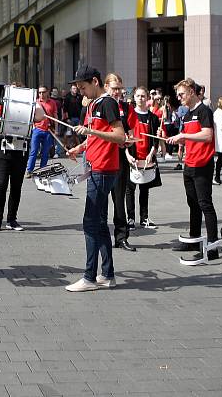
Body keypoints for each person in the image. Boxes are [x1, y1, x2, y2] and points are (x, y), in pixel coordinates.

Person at [64, 66, 125, 292]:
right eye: (78, 88)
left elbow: (119, 136)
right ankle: (107, 275)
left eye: (83, 87)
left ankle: (89, 278)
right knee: (98, 223)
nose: (81, 92)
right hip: (96, 166)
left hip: (104, 168)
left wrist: (91, 133)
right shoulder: (93, 105)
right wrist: (80, 148)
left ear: (95, 82)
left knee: (90, 223)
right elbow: (95, 138)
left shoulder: (108, 103)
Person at [166, 78, 219, 263]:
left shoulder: (204, 110)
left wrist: (184, 135)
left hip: (202, 164)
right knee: (193, 204)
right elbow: (191, 137)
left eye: (181, 94)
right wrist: (178, 140)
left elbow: (207, 135)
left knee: (205, 204)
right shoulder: (187, 114)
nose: (179, 97)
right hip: (189, 164)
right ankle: (194, 239)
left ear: (191, 91)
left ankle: (213, 247)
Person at [103, 73, 137, 251]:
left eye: (119, 89)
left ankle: (121, 236)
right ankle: (100, 236)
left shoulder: (126, 107)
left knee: (119, 199)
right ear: (106, 87)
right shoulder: (98, 105)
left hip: (119, 159)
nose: (117, 92)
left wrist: (129, 141)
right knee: (100, 199)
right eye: (114, 88)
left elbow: (130, 133)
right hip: (101, 158)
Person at [0, 97, 28, 232]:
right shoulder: (0, 109)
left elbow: (40, 116)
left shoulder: (28, 110)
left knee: (16, 187)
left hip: (20, 152)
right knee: (1, 185)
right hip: (2, 152)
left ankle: (11, 220)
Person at [125, 86, 160, 229]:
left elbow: (155, 140)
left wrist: (151, 154)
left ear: (148, 98)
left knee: (145, 190)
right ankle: (131, 219)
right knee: (130, 189)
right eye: (138, 96)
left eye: (143, 96)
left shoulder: (153, 117)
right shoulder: (129, 116)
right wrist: (127, 155)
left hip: (147, 159)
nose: (140, 98)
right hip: (132, 158)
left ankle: (144, 218)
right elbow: (125, 138)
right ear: (134, 98)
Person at [25, 86, 56, 178]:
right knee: (33, 151)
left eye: (43, 92)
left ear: (47, 92)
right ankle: (29, 170)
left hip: (48, 130)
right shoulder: (35, 103)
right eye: (39, 92)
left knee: (45, 152)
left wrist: (56, 129)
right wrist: (33, 125)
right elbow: (30, 116)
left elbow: (55, 116)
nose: (41, 94)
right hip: (37, 130)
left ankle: (42, 170)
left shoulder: (52, 103)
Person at [63, 85, 83, 150]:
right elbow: (65, 109)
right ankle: (64, 146)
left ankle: (79, 147)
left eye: (76, 88)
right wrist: (67, 118)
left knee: (77, 134)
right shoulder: (67, 97)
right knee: (68, 133)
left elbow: (82, 107)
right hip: (70, 118)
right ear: (71, 89)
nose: (75, 90)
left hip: (78, 118)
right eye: (73, 88)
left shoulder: (79, 97)